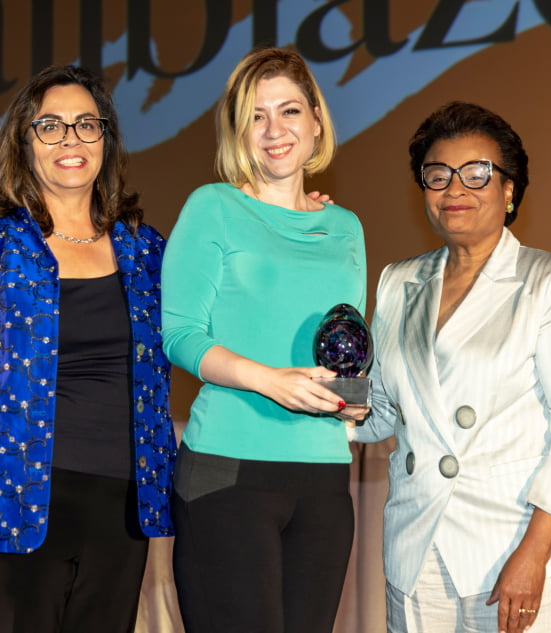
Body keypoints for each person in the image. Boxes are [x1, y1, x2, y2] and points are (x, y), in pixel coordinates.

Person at [0, 64, 175, 633]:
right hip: (8, 506)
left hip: (122, 511)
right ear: (24, 142)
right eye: (50, 126)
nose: (70, 140)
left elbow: (224, 313)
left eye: (85, 125)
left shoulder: (147, 251)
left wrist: (293, 211)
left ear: (107, 140)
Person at [351, 101, 551, 633]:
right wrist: (312, 387)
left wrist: (533, 554)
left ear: (509, 189)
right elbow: (378, 414)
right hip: (418, 552)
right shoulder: (398, 283)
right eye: (438, 175)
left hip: (525, 547)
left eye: (477, 174)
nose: (455, 190)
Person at [160, 46, 368, 633]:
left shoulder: (345, 225)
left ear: (317, 121)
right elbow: (178, 334)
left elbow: (343, 341)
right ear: (238, 130)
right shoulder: (213, 207)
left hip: (325, 477)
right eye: (256, 115)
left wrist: (354, 398)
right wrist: (269, 381)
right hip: (229, 470)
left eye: (290, 111)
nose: (275, 130)